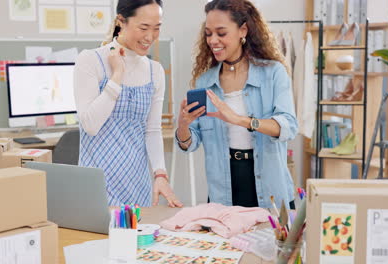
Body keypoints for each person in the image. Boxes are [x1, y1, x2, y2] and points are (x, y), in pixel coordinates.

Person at [176, 0, 298, 209]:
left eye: (221, 33)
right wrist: (183, 125)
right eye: (208, 33)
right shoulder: (205, 82)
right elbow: (191, 143)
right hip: (223, 190)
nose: (213, 40)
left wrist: (240, 120)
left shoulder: (273, 72)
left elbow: (288, 126)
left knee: (272, 242)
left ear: (243, 30)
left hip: (270, 188)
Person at [74, 0, 182, 208]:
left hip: (137, 185)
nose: (150, 37)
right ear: (120, 22)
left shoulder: (155, 71)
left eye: (156, 28)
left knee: (139, 240)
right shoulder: (90, 61)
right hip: (98, 188)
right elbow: (90, 124)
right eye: (143, 28)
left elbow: (152, 130)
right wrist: (117, 77)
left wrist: (160, 174)